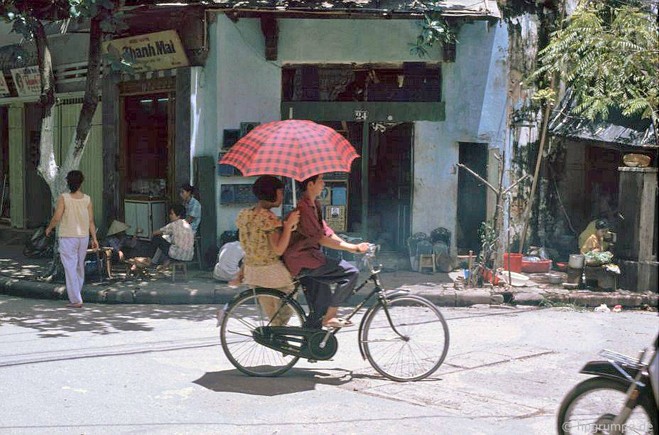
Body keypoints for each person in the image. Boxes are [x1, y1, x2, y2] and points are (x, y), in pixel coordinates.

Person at [283, 174, 370, 329]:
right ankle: (330, 317)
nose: (323, 183)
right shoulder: (303, 208)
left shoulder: (314, 205)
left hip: (311, 258)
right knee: (350, 272)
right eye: (320, 180)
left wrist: (348, 244)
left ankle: (308, 346)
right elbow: (321, 238)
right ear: (310, 184)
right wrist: (353, 248)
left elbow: (326, 231)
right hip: (303, 260)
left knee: (319, 310)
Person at [235, 176, 300, 326]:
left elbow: (252, 245)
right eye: (281, 193)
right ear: (273, 193)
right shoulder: (268, 218)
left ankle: (276, 338)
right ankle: (279, 335)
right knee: (290, 297)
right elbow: (278, 249)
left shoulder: (245, 214)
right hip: (271, 271)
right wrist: (289, 226)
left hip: (252, 271)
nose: (282, 197)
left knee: (272, 313)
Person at [45, 170, 98, 308]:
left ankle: (76, 299)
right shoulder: (87, 199)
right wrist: (94, 238)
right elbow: (91, 220)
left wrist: (49, 228)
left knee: (70, 267)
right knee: (80, 266)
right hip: (83, 237)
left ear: (68, 182)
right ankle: (77, 293)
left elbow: (57, 217)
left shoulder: (64, 198)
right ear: (81, 183)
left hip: (68, 236)